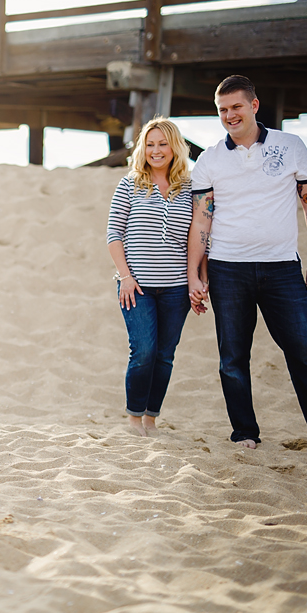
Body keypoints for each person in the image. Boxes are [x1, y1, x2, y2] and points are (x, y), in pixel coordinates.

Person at [188, 74, 307, 450]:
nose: (230, 115)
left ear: (254, 106)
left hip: (281, 268)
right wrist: (194, 273)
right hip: (228, 269)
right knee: (233, 358)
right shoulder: (210, 159)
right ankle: (245, 432)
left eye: (236, 107)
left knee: (306, 355)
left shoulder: (290, 146)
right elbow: (203, 218)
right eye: (222, 110)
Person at [106, 117, 195, 437]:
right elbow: (114, 234)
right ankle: (133, 418)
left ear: (175, 147)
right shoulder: (129, 184)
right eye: (150, 144)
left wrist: (197, 278)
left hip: (176, 288)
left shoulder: (190, 188)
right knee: (143, 350)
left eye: (163, 143)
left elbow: (197, 238)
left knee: (164, 355)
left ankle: (151, 418)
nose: (156, 150)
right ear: (143, 148)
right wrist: (125, 276)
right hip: (136, 286)